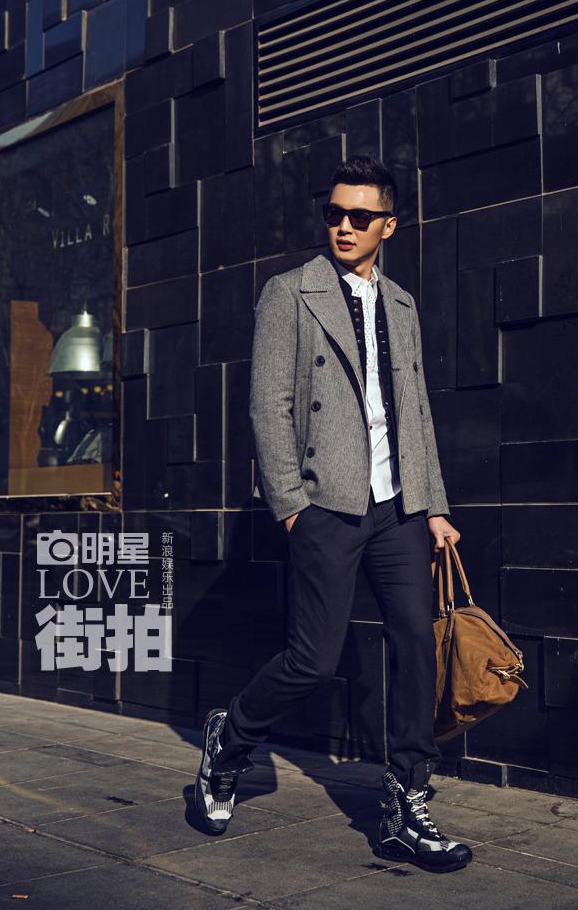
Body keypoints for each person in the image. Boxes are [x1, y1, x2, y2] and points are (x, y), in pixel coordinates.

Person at [195, 154, 473, 873]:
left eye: (359, 216)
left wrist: (434, 507)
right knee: (314, 659)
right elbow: (268, 404)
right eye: (333, 214)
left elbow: (416, 411)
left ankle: (407, 804)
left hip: (398, 506)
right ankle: (231, 737)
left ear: (389, 225)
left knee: (414, 644)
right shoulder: (290, 292)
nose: (343, 227)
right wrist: (292, 506)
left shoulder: (402, 304)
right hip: (326, 503)